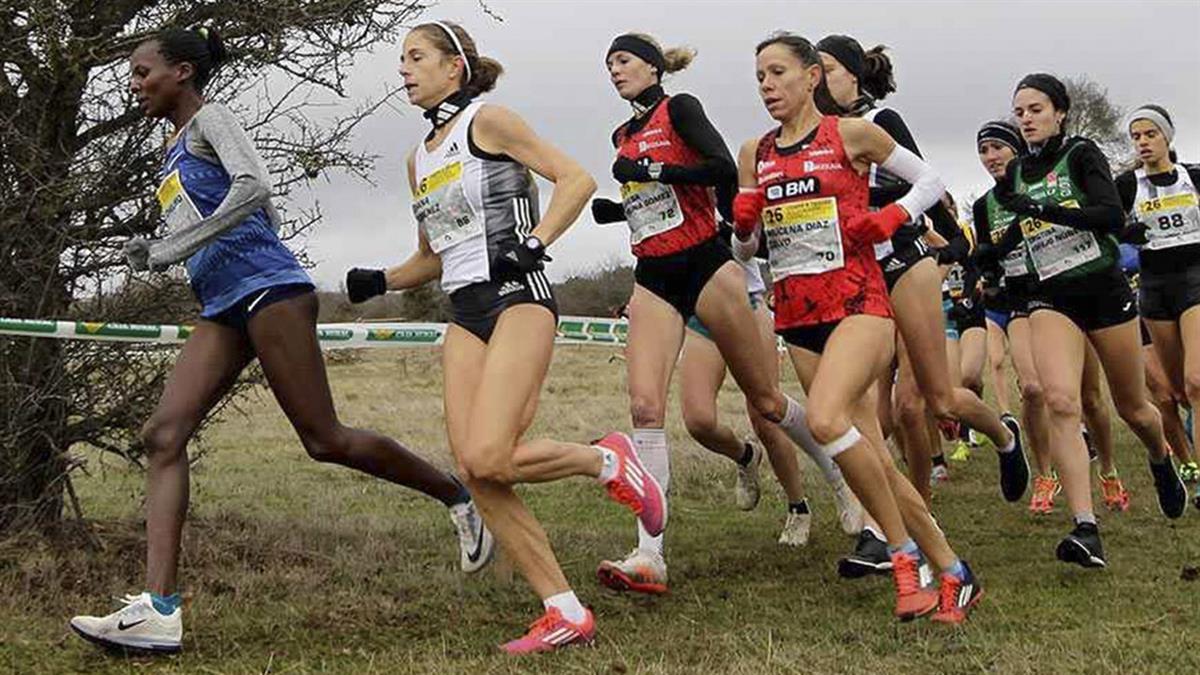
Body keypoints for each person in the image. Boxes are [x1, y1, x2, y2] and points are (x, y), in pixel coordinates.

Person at [70, 27, 496, 654]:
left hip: (271, 292)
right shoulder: (172, 148)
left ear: (181, 72)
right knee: (162, 435)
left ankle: (458, 498)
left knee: (324, 440)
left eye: (141, 73)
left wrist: (171, 249)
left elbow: (255, 189)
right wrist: (161, 248)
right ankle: (159, 610)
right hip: (223, 304)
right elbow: (239, 214)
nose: (134, 87)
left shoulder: (211, 119)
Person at [344, 22, 666, 653]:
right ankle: (564, 609)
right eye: (400, 60)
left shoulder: (488, 122)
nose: (403, 70)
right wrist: (378, 279)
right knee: (476, 469)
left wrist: (535, 244)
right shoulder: (419, 158)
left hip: (519, 298)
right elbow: (433, 257)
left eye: (416, 58)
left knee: (492, 454)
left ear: (454, 67)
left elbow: (574, 180)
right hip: (465, 312)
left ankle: (608, 459)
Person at [733, 32, 981, 624]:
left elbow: (931, 181)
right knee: (870, 457)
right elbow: (746, 252)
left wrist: (893, 215)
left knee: (824, 421)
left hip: (860, 305)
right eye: (759, 77)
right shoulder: (755, 153)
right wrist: (742, 228)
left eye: (777, 73)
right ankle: (951, 569)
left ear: (812, 76)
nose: (766, 86)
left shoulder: (851, 135)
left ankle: (902, 558)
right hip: (798, 318)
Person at [590, 33, 824, 596]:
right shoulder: (621, 135)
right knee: (646, 407)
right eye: (608, 65)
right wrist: (616, 209)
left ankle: (838, 478)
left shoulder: (681, 109)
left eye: (622, 61)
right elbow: (650, 206)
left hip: (706, 264)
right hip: (654, 274)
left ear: (650, 67)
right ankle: (650, 555)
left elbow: (720, 170)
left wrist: (659, 173)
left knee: (766, 401)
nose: (614, 71)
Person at [816, 36, 1027, 573]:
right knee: (870, 409)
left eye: (829, 70)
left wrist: (951, 242)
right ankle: (889, 529)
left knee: (932, 403)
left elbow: (927, 185)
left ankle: (1004, 435)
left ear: (856, 75)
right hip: (855, 278)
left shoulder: (882, 119)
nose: (820, 81)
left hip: (905, 265)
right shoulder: (812, 137)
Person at [985, 74, 1187, 568]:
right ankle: (1085, 527)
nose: (1027, 119)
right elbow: (1014, 235)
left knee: (1134, 407)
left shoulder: (1081, 153)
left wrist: (1038, 206)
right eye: (1020, 112)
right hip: (1050, 296)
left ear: (1059, 112)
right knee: (1059, 401)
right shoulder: (1015, 174)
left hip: (1103, 290)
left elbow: (1109, 217)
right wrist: (988, 256)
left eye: (1035, 109)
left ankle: (1161, 458)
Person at [679, 226, 864, 547]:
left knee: (766, 413)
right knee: (699, 421)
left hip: (744, 302)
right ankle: (746, 455)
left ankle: (814, 496)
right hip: (696, 312)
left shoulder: (726, 181)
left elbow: (758, 242)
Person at [1115, 105, 1200, 490]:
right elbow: (1104, 222)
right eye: (1136, 136)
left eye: (1150, 134)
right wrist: (1122, 232)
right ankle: (1187, 464)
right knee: (1170, 393)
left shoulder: (1193, 177)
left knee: (1197, 382)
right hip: (1153, 287)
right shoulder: (1127, 185)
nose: (1143, 142)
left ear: (1167, 137)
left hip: (1195, 280)